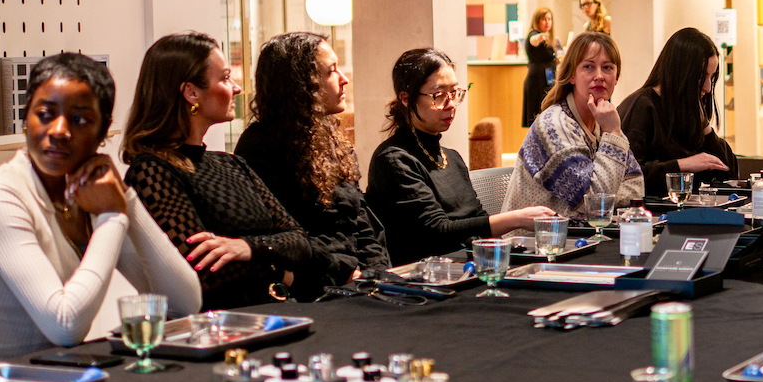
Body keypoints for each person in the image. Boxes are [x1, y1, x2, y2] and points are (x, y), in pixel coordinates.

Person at [0, 54, 200, 357]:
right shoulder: (6, 194)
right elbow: (65, 325)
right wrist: (112, 217)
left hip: (66, 380)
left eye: (79, 119)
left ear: (103, 130)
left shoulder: (91, 192)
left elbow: (184, 304)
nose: (59, 130)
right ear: (27, 119)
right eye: (44, 114)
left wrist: (125, 199)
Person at [122, 32, 312, 309]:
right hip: (223, 328)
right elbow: (204, 273)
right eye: (224, 78)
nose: (235, 88)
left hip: (277, 313)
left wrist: (247, 248)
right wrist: (279, 270)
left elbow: (300, 242)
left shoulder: (231, 163)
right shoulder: (152, 170)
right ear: (191, 92)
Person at [234, 32, 389, 300]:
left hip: (357, 280)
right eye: (331, 71)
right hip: (313, 286)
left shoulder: (328, 136)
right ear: (300, 84)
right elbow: (289, 237)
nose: (344, 79)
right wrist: (347, 272)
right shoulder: (261, 145)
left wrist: (377, 272)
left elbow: (359, 220)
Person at [367, 48, 556, 266]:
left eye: (455, 93)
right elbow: (436, 233)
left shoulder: (451, 158)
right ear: (406, 99)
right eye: (438, 95)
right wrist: (515, 219)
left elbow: (475, 219)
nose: (450, 105)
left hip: (467, 266)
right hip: (424, 277)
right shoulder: (394, 160)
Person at [502, 31, 644, 218]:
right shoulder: (554, 126)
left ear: (617, 77)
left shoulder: (603, 121)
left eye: (608, 68)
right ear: (572, 76)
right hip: (531, 242)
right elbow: (594, 202)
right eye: (588, 67)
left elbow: (636, 187)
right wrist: (613, 134)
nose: (599, 76)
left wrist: (598, 199)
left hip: (580, 236)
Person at [618, 27, 737, 196]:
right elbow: (628, 177)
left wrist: (705, 128)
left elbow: (728, 173)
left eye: (711, 77)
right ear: (682, 73)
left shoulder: (687, 110)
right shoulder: (642, 106)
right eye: (702, 76)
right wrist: (683, 165)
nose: (708, 87)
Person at [522, 7, 560, 128]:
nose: (547, 22)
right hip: (537, 81)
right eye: (544, 19)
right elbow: (533, 40)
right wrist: (539, 37)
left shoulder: (548, 38)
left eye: (549, 19)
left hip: (546, 79)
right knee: (538, 116)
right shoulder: (534, 34)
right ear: (537, 20)